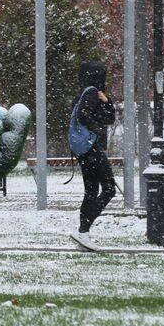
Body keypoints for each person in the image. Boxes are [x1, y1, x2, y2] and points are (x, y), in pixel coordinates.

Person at [69, 61, 116, 251]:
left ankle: (83, 234)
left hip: (83, 150)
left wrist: (106, 102)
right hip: (92, 148)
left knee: (91, 191)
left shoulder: (83, 93)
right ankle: (83, 230)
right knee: (109, 189)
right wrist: (96, 131)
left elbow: (107, 117)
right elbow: (85, 116)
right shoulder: (91, 93)